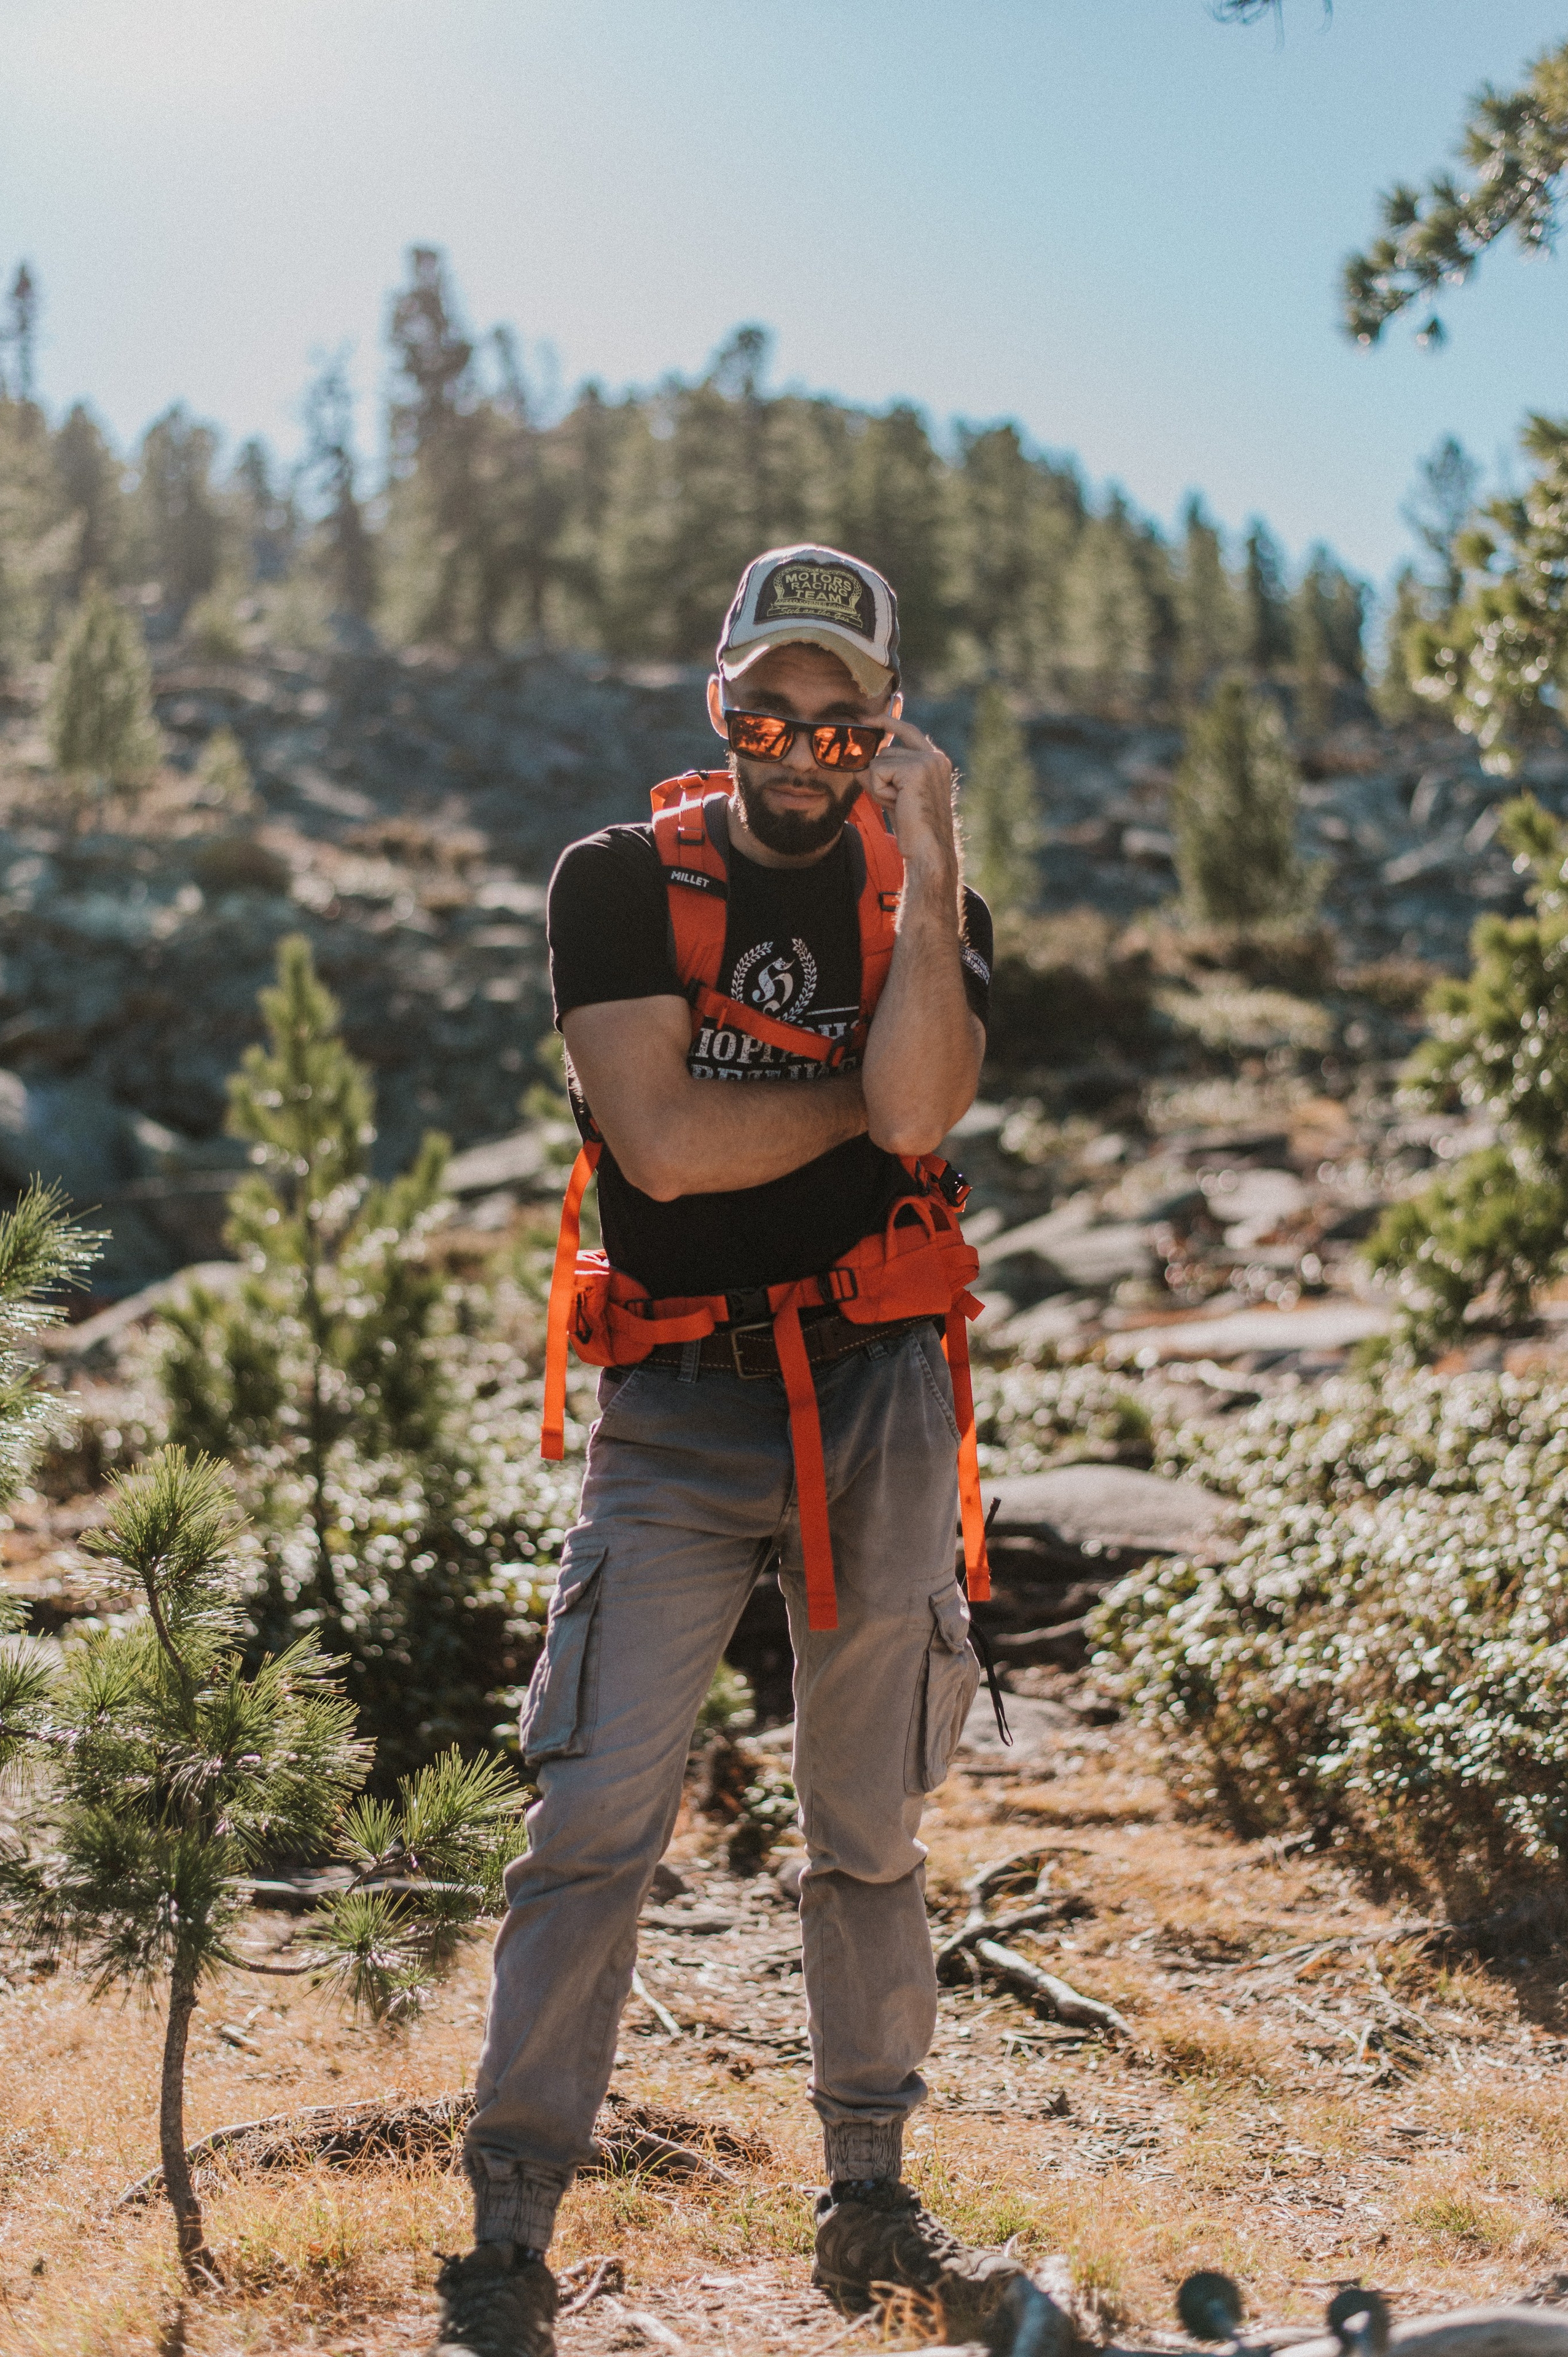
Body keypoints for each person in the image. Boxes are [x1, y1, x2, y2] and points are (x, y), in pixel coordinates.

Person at [433, 545, 1019, 2357]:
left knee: (868, 1822)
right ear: (720, 704)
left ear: (886, 728)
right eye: (773, 705)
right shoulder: (614, 884)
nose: (802, 741)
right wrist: (863, 1108)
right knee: (596, 1807)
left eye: (842, 718)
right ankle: (512, 2224)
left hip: (881, 1387)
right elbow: (667, 1150)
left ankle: (868, 2196)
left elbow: (908, 1107)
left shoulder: (928, 891)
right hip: (678, 1401)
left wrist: (925, 887)